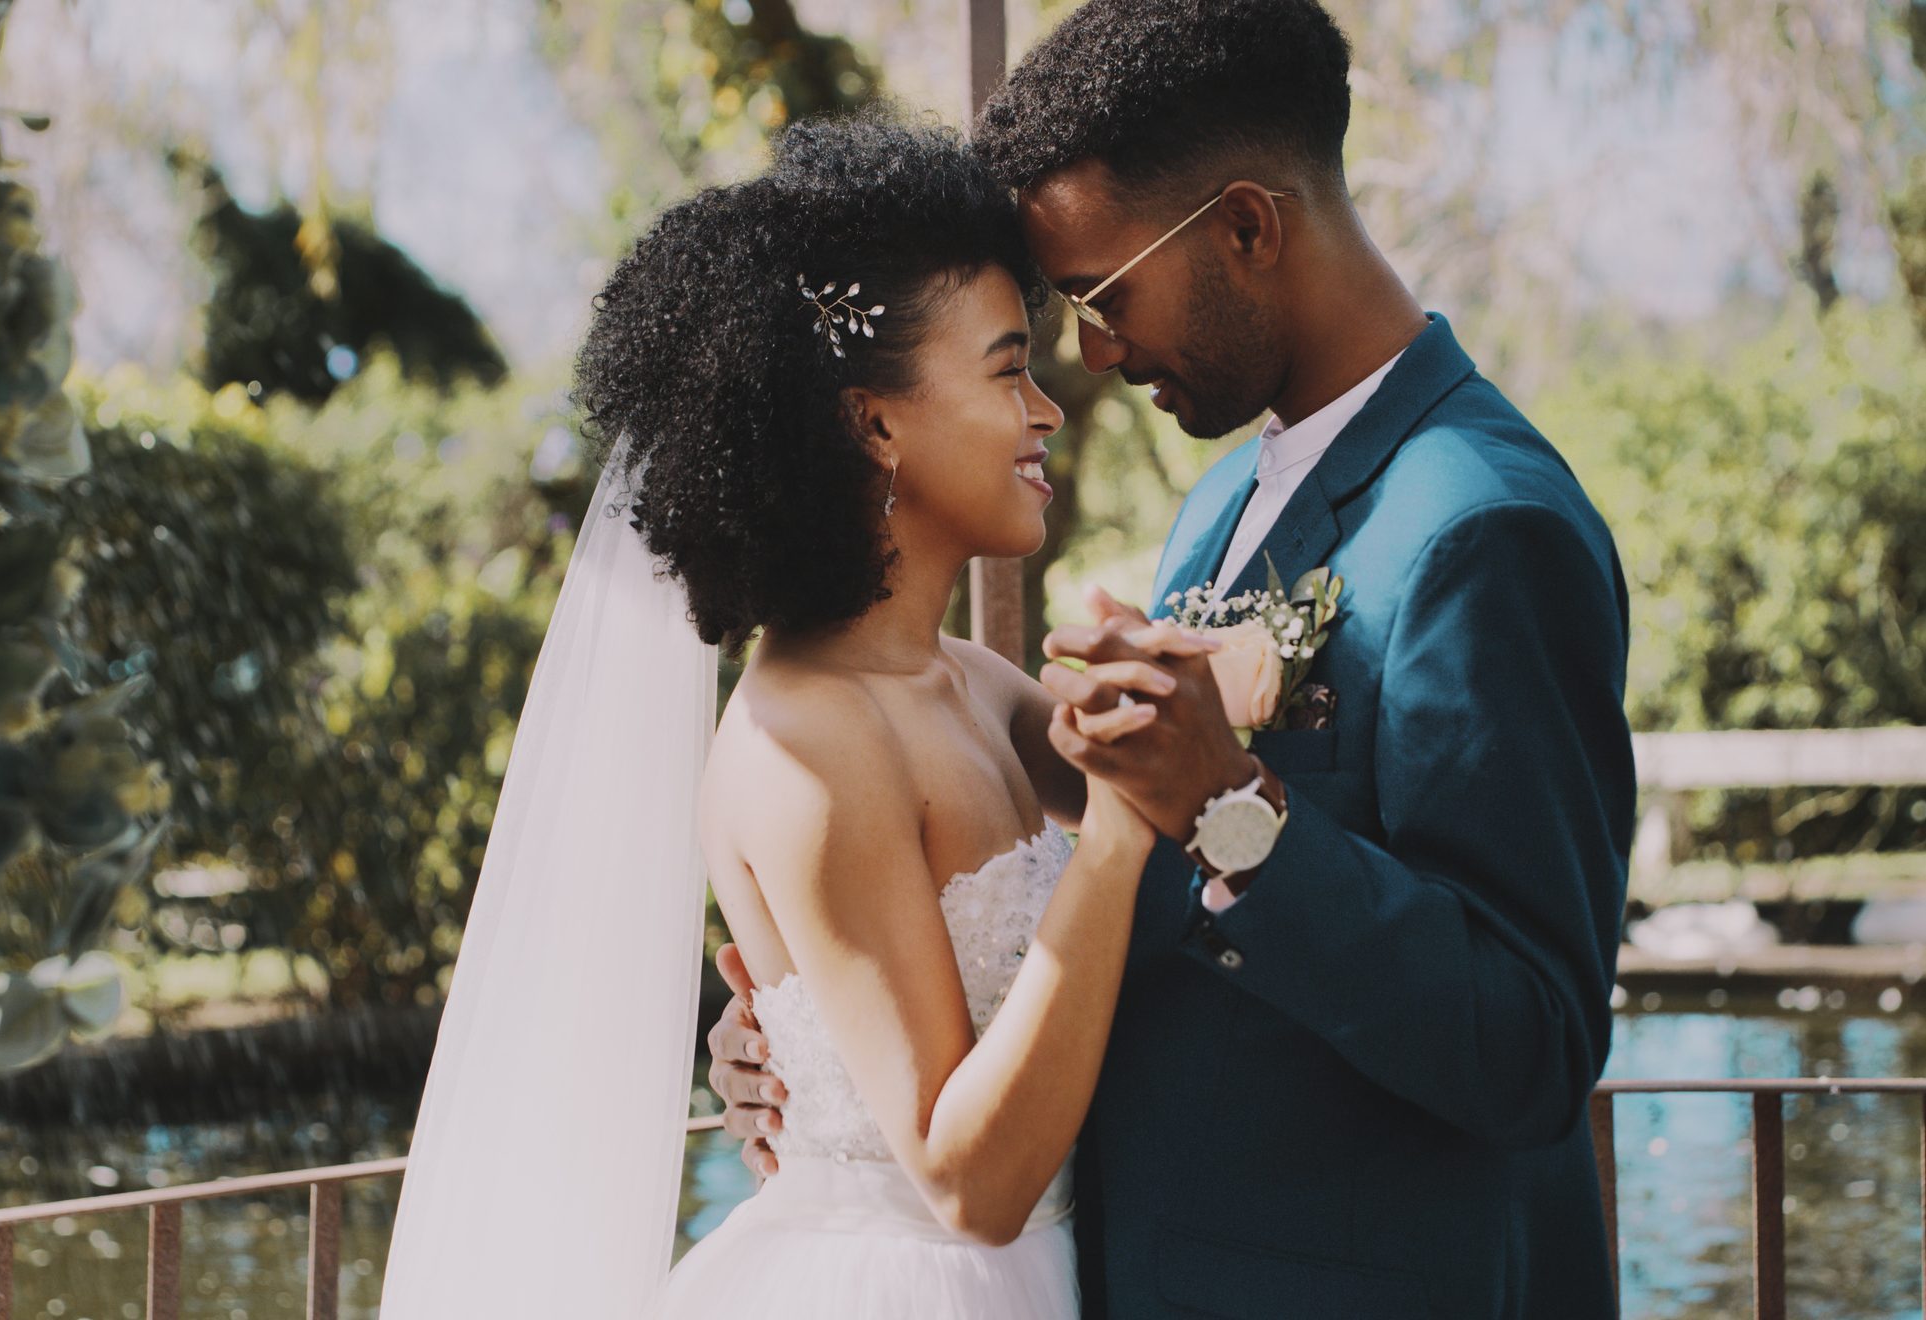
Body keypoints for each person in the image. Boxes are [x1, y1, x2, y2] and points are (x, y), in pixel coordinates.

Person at [707, 1, 1638, 1315]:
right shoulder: (1215, 509)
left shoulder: (1483, 528)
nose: (1090, 353)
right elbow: (1121, 922)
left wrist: (1232, 810)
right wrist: (826, 1067)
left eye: (1101, 294)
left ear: (1248, 227)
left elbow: (1534, 1045)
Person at [380, 109, 1219, 1318]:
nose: (1047, 412)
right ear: (872, 422)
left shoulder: (974, 684)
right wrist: (1118, 832)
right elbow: (967, 1180)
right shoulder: (800, 749)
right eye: (1006, 367)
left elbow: (1191, 804)